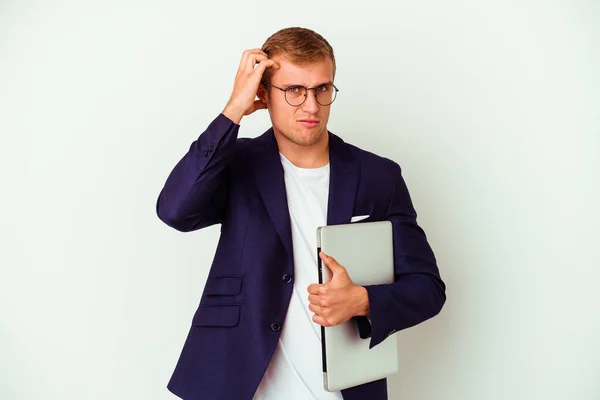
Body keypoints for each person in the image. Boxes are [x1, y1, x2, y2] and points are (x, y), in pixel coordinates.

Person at [156, 27, 446, 400]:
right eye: (294, 90)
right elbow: (175, 210)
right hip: (240, 386)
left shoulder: (378, 176)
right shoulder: (237, 164)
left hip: (344, 388)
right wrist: (233, 110)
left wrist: (362, 300)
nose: (311, 106)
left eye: (322, 89)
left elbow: (428, 288)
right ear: (264, 93)